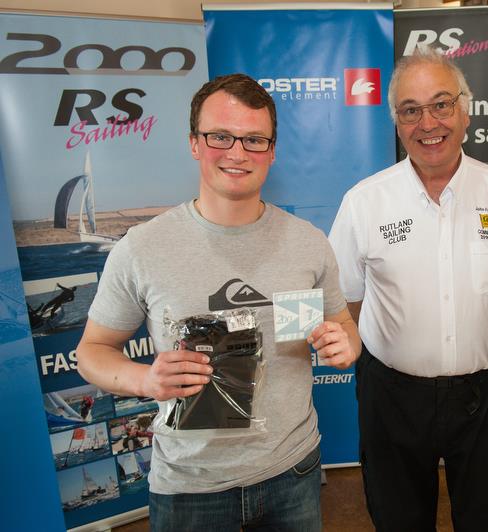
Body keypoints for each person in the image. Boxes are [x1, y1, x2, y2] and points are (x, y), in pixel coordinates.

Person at [76, 73, 360, 532]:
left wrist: (345, 343)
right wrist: (146, 379)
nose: (237, 152)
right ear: (194, 143)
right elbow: (91, 352)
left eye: (253, 139)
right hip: (190, 488)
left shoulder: (308, 244)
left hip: (293, 472)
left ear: (271, 151)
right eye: (220, 136)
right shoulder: (143, 247)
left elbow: (345, 326)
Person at [328, 48, 488, 532]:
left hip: (487, 394)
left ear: (465, 109)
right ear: (396, 120)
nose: (427, 122)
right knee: (398, 520)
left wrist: (486, 339)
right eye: (410, 110)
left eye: (441, 104)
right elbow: (348, 295)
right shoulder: (364, 201)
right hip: (391, 393)